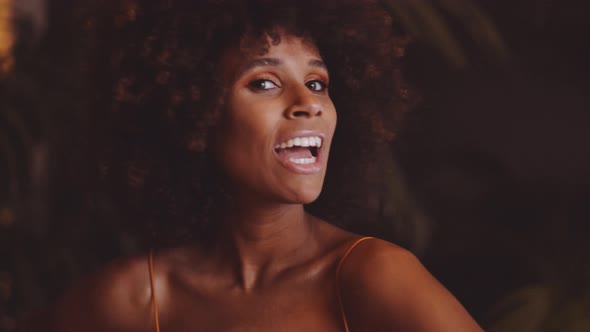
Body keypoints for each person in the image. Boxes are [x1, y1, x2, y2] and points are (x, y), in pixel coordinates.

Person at [22, 0, 483, 331]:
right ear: (192, 110)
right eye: (264, 82)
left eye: (318, 83)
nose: (309, 104)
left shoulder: (371, 277)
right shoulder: (131, 301)